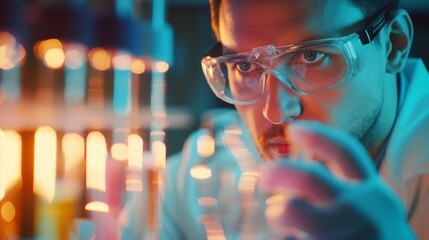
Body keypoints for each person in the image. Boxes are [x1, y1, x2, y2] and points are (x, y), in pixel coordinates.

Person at [161, 0, 429, 239]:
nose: (275, 112)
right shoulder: (200, 177)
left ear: (394, 44)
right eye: (245, 66)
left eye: (311, 56)